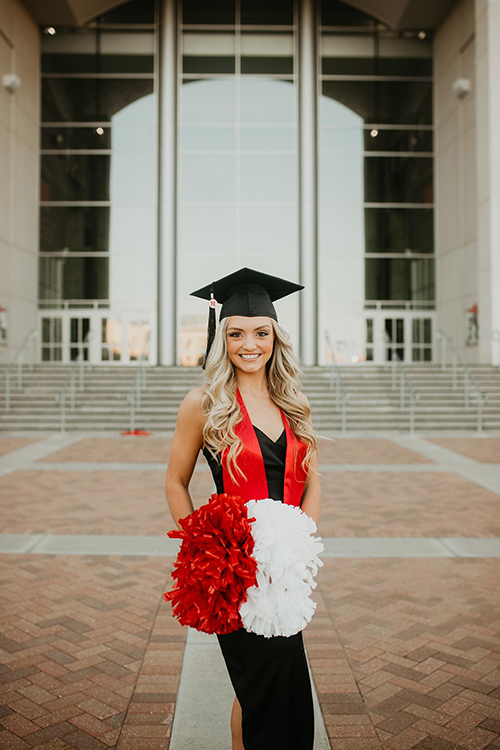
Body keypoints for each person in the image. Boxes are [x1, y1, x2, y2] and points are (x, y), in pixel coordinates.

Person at [165, 268, 322, 750]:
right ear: (222, 339)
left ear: (276, 337)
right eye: (236, 333)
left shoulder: (292, 401)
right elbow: (175, 480)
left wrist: (298, 546)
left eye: (261, 332)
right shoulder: (205, 403)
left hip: (284, 571)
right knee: (266, 692)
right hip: (236, 574)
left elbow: (313, 479)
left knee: (264, 691)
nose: (248, 344)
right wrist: (205, 547)